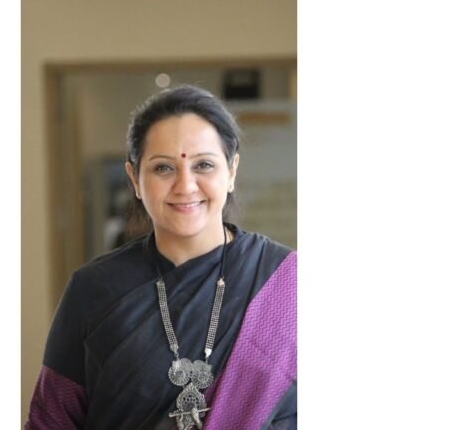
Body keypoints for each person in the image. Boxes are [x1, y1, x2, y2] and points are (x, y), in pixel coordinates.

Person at [24, 85, 296, 430]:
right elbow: (50, 421)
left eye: (204, 165)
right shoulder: (94, 289)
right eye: (163, 168)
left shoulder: (287, 284)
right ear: (134, 179)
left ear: (231, 171)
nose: (185, 185)